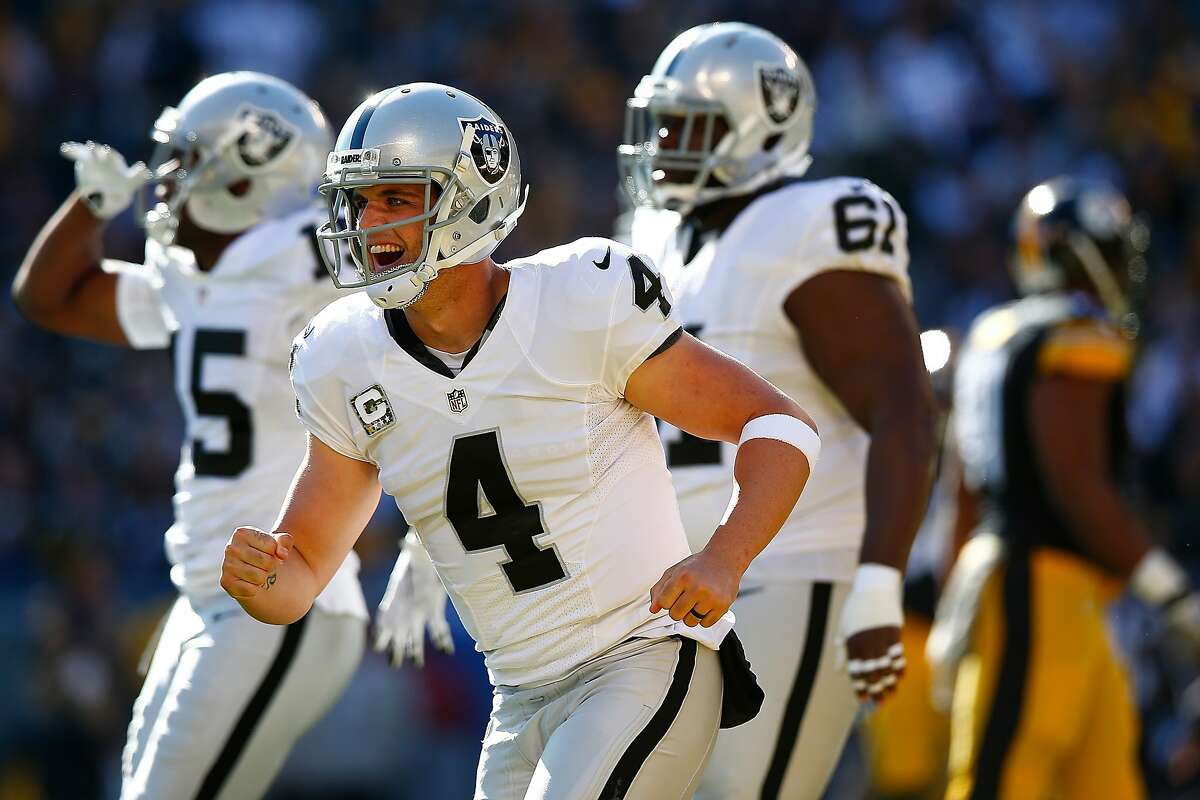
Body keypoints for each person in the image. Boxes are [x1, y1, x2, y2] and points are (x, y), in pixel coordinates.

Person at [219, 82, 820, 800]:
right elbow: (305, 567)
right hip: (518, 700)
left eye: (395, 197)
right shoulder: (341, 357)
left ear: (468, 196)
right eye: (359, 198)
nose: (365, 219)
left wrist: (726, 556)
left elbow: (780, 425)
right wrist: (262, 580)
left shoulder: (580, 300)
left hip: (641, 656)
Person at [12, 71, 367, 800]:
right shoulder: (199, 276)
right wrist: (91, 206)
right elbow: (48, 298)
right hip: (204, 594)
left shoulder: (312, 258)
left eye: (189, 159)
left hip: (277, 595)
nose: (170, 180)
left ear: (253, 174)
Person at [618, 22, 937, 799]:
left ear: (761, 127)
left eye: (687, 125)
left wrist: (877, 583)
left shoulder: (809, 222)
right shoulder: (654, 238)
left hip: (792, 570)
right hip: (673, 586)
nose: (662, 142)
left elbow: (903, 409)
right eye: (658, 123)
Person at [936, 177, 1200, 800]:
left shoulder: (991, 335)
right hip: (1042, 588)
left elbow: (963, 491)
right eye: (1108, 253)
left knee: (1106, 784)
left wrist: (953, 599)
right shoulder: (1078, 339)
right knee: (1000, 781)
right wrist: (1169, 589)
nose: (1118, 270)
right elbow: (1079, 487)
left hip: (1035, 588)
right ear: (1072, 254)